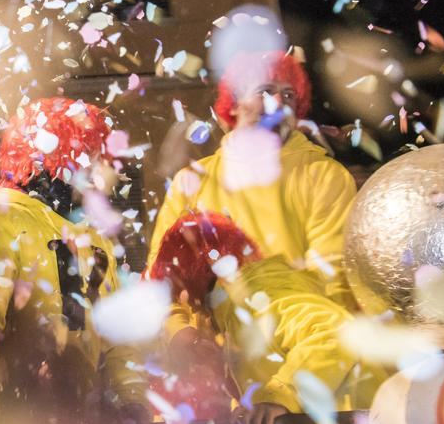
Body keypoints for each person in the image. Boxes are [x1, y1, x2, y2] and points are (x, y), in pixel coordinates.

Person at [0, 98, 175, 424]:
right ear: (56, 153)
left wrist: (130, 396)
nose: (103, 171)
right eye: (90, 154)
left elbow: (118, 335)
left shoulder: (92, 236)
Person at [147, 51, 359, 369]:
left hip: (303, 370)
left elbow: (336, 283)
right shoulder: (191, 181)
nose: (278, 101)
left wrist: (307, 361)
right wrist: (182, 335)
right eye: (264, 91)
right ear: (231, 104)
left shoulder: (323, 176)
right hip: (216, 377)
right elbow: (159, 279)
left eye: (289, 94)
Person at [150, 211, 387, 424]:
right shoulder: (237, 308)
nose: (185, 301)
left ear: (191, 271)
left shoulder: (255, 296)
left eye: (179, 287)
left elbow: (334, 332)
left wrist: (282, 395)